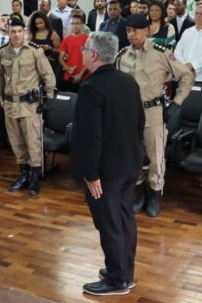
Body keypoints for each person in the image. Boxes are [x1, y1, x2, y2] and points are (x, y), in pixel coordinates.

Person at [71, 32, 144, 296]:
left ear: (94, 55)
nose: (82, 52)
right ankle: (125, 271)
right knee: (124, 219)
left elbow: (90, 136)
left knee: (109, 223)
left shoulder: (91, 87)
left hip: (105, 171)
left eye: (85, 49)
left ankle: (116, 280)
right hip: (129, 163)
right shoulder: (128, 81)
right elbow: (140, 123)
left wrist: (91, 174)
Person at [116, 14, 194, 217]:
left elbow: (186, 76)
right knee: (133, 157)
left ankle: (154, 196)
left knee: (155, 158)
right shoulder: (122, 55)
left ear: (146, 31)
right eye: (128, 31)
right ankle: (140, 194)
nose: (131, 34)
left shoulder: (161, 53)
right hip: (129, 115)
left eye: (135, 30)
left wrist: (176, 103)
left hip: (153, 114)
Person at [0, 17, 56, 197]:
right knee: (16, 143)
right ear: (8, 32)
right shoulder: (3, 52)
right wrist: (1, 98)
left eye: (19, 31)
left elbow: (48, 75)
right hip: (10, 105)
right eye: (12, 31)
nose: (16, 35)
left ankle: (34, 178)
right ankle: (24, 175)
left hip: (30, 106)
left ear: (24, 31)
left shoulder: (34, 51)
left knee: (32, 143)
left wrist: (49, 97)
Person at [28, 11, 62, 88]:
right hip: (34, 65)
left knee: (49, 87)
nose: (39, 25)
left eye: (41, 23)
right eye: (37, 24)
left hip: (49, 65)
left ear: (45, 22)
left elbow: (60, 52)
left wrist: (49, 48)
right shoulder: (32, 34)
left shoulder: (53, 34)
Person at [59, 11, 91, 92]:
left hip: (85, 76)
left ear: (82, 25)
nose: (75, 26)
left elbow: (90, 59)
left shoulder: (88, 39)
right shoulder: (66, 39)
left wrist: (80, 74)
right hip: (69, 76)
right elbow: (61, 58)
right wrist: (67, 68)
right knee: (70, 98)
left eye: (77, 23)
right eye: (72, 24)